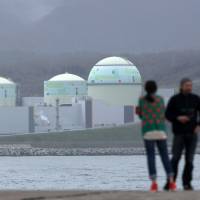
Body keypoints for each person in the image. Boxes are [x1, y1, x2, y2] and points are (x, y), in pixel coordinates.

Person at [136, 80, 176, 192]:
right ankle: (171, 181)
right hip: (161, 131)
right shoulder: (161, 99)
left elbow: (140, 115)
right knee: (165, 156)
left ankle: (154, 183)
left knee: (151, 156)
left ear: (146, 89)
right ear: (155, 88)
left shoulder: (142, 100)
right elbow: (163, 113)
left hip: (148, 131)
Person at [165, 78, 200, 190]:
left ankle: (187, 184)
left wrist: (199, 125)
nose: (189, 87)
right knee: (175, 158)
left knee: (189, 160)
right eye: (187, 85)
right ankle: (170, 182)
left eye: (190, 85)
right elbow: (167, 114)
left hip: (192, 133)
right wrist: (178, 117)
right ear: (181, 86)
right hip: (179, 133)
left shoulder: (196, 98)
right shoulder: (175, 99)